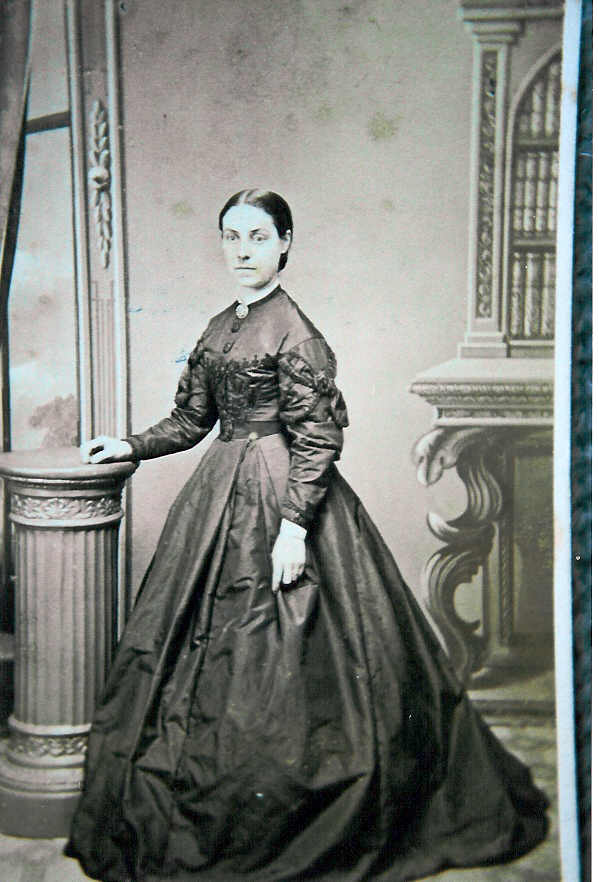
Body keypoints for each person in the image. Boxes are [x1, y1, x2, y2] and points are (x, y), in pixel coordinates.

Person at [66, 189, 548, 882]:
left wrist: (293, 529)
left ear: (285, 243)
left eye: (258, 237)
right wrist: (130, 445)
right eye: (231, 237)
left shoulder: (296, 331)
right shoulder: (219, 326)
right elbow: (192, 420)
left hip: (282, 492)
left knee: (290, 661)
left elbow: (317, 439)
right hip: (218, 491)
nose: (242, 251)